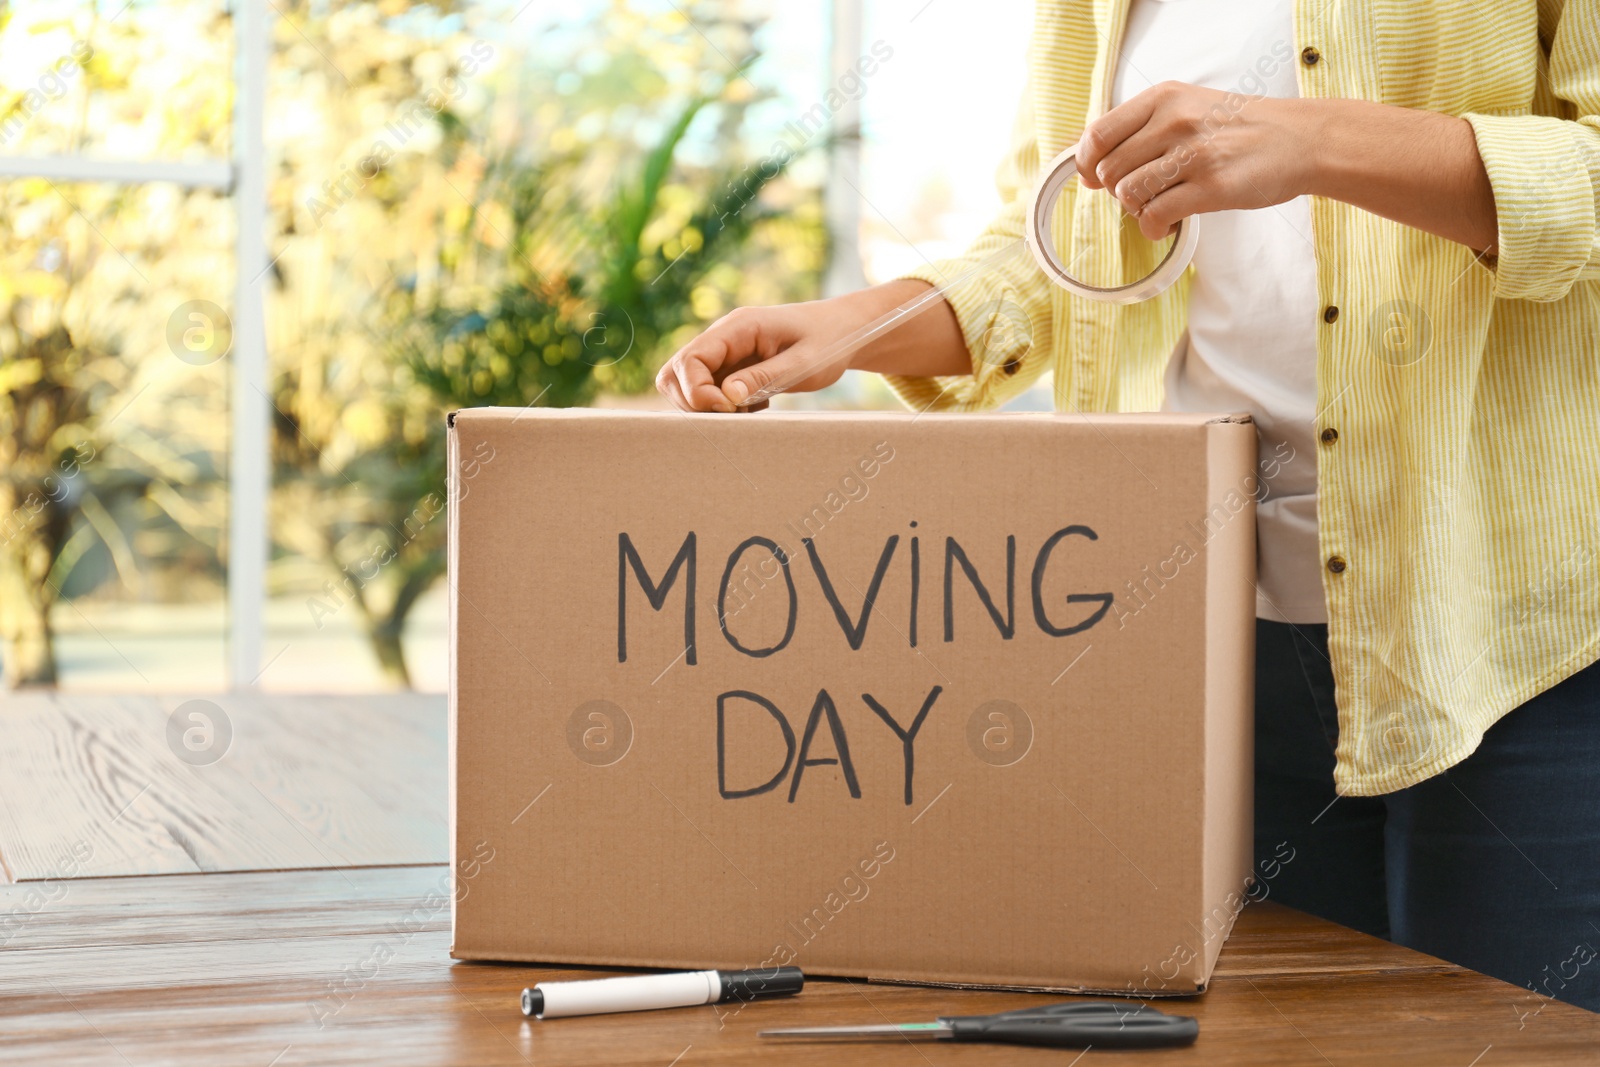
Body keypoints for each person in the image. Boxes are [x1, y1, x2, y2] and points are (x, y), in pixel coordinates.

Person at [655, 0, 1600, 1011]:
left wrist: (1311, 138)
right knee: (1266, 1035)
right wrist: (851, 327)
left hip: (1505, 640)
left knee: (1505, 1028)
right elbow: (1058, 246)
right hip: (1202, 648)